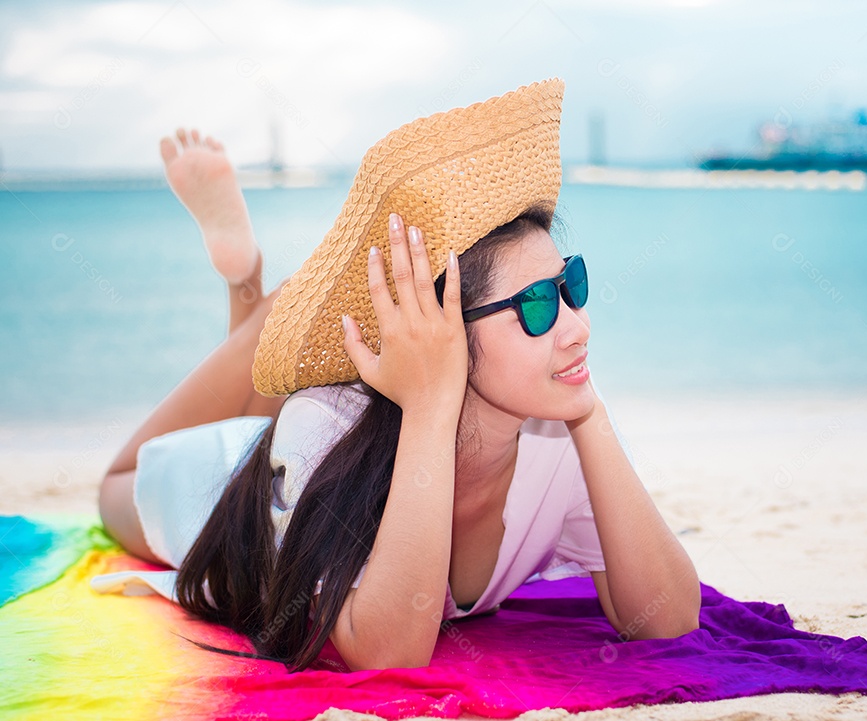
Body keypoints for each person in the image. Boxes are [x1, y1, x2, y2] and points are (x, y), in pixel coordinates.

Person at [95, 80, 700, 673]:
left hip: (317, 437)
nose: (579, 326)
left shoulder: (557, 430)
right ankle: (250, 286)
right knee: (114, 485)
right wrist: (432, 409)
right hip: (226, 484)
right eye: (539, 305)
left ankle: (260, 305)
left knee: (281, 397)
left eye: (573, 286)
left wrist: (589, 411)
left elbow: (667, 620)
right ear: (442, 332)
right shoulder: (326, 423)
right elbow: (388, 654)